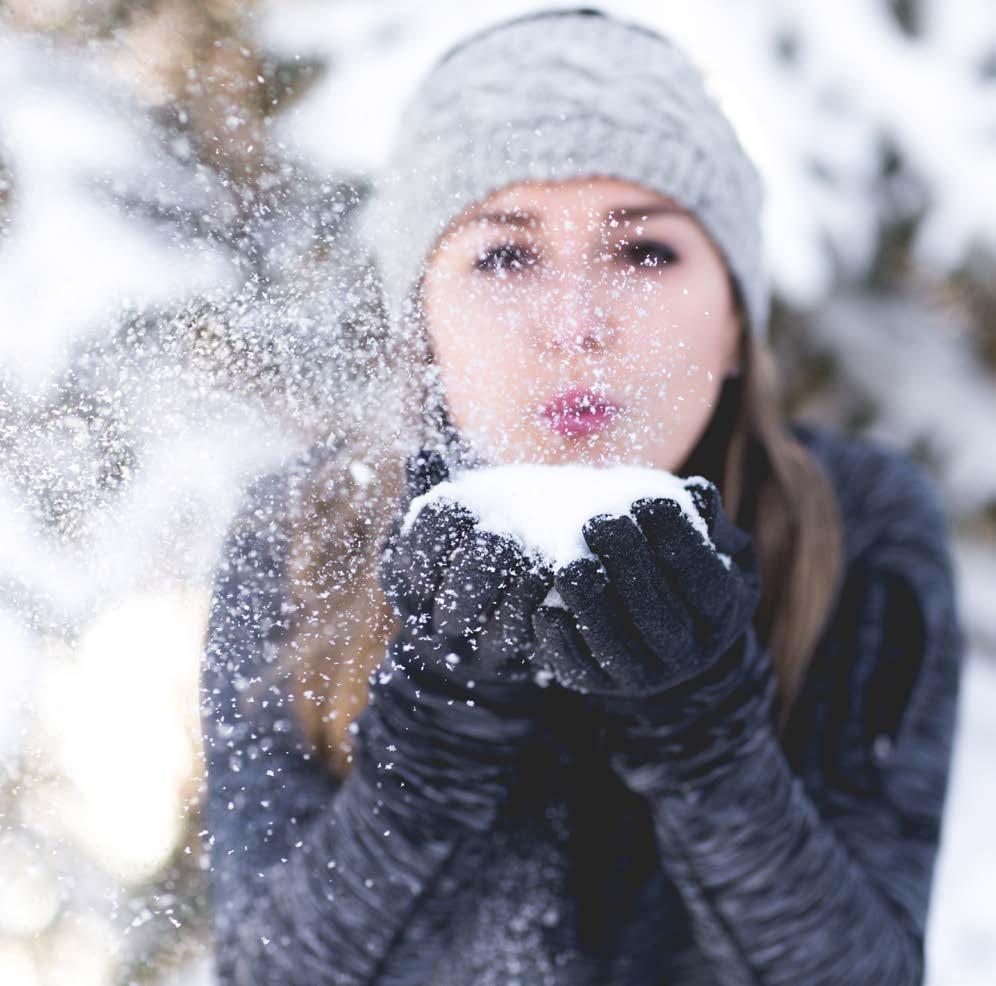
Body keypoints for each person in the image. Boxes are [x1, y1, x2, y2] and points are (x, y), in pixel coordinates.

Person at [199, 9, 965, 985]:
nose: (574, 324)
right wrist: (440, 724)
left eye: (645, 251)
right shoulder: (307, 538)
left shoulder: (853, 529)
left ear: (734, 316)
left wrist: (705, 734)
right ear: (422, 318)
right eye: (505, 254)